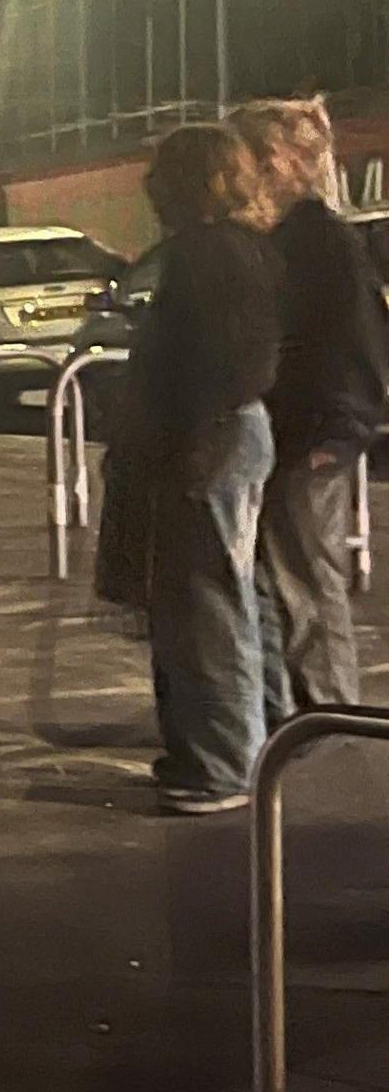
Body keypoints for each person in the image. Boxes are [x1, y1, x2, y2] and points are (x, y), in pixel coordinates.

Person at [129, 123, 287, 813]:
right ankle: (258, 736)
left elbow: (206, 360)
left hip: (209, 435)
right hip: (239, 427)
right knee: (236, 592)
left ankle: (220, 763)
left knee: (205, 603)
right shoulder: (249, 248)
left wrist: (174, 437)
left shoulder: (198, 256)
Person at [231, 98, 378, 712]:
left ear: (276, 162)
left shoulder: (316, 242)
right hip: (303, 427)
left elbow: (347, 344)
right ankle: (305, 707)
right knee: (291, 577)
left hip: (311, 432)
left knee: (310, 583)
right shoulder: (298, 238)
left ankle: (330, 713)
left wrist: (337, 433)